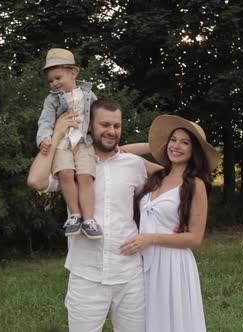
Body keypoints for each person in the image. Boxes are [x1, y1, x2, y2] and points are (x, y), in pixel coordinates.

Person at [27, 98, 162, 332]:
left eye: (116, 126)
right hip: (86, 274)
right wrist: (58, 133)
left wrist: (148, 146)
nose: (111, 131)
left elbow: (178, 175)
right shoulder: (72, 161)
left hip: (130, 274)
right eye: (105, 125)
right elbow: (36, 180)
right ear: (90, 125)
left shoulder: (134, 165)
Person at [120, 115, 220, 332]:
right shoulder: (157, 174)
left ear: (195, 151)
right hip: (145, 262)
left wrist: (151, 238)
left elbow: (194, 238)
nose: (177, 146)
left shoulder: (195, 184)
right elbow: (121, 152)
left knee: (172, 322)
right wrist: (154, 145)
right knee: (147, 321)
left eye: (185, 142)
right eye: (173, 140)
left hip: (173, 264)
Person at [36, 48, 102, 239]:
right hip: (63, 142)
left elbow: (98, 118)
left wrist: (101, 138)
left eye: (58, 78)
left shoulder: (89, 95)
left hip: (84, 141)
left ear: (73, 72)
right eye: (51, 80)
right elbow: (45, 121)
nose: (54, 83)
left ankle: (89, 219)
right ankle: (75, 215)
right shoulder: (51, 100)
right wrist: (44, 139)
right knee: (65, 173)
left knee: (85, 176)